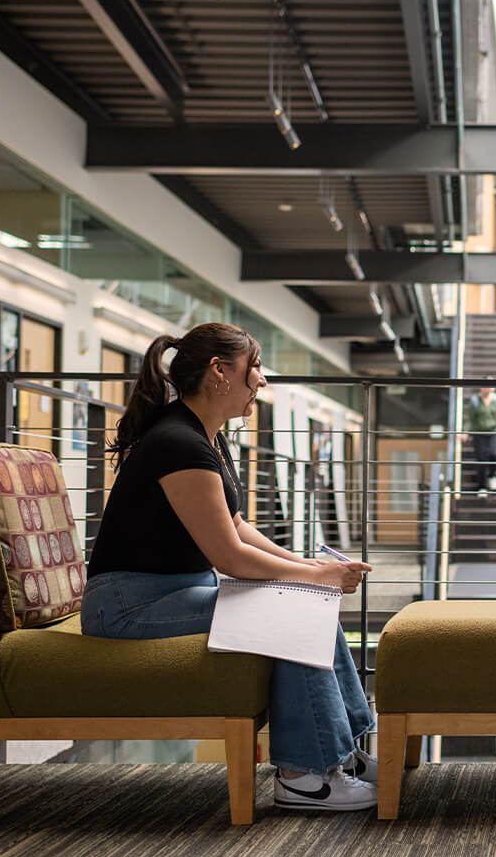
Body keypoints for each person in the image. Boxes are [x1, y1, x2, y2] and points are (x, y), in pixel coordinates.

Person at [84, 323, 380, 812]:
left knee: (307, 601)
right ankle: (305, 777)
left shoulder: (206, 437)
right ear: (220, 372)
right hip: (129, 605)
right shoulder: (177, 442)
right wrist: (316, 576)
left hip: (174, 592)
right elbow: (230, 557)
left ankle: (341, 752)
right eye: (256, 366)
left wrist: (306, 566)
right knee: (294, 611)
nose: (262, 380)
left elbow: (238, 526)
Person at [460, 382, 496, 494]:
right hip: (479, 433)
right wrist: (465, 432)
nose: (487, 388)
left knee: (494, 454)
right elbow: (470, 419)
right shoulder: (475, 400)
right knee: (481, 459)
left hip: (494, 432)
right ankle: (481, 486)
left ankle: (492, 476)